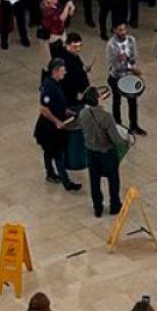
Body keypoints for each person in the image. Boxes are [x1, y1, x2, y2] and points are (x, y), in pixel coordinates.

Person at [34, 58, 81, 192]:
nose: (64, 72)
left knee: (49, 151)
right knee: (58, 154)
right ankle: (67, 183)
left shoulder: (57, 83)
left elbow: (59, 104)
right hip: (49, 127)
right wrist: (57, 121)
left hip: (55, 123)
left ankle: (50, 173)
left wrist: (69, 112)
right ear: (55, 71)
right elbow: (44, 109)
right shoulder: (48, 86)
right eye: (62, 70)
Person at [77, 86, 124, 217]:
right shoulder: (106, 117)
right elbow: (116, 139)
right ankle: (115, 204)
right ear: (98, 99)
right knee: (113, 178)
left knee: (94, 180)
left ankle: (97, 207)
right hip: (106, 152)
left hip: (91, 152)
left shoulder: (83, 114)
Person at [106, 23, 146, 135]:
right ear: (114, 30)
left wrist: (128, 60)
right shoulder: (111, 45)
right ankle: (117, 125)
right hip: (116, 77)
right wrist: (120, 62)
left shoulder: (131, 40)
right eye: (120, 30)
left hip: (129, 76)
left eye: (124, 29)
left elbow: (134, 57)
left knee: (133, 102)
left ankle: (134, 126)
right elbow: (113, 64)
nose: (123, 32)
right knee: (116, 101)